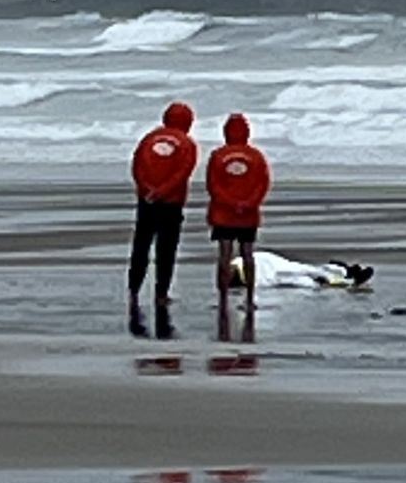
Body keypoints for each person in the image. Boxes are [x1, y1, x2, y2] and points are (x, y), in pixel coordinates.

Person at [127, 100, 197, 337]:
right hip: (170, 202)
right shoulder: (187, 144)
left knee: (141, 245)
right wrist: (163, 191)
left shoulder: (148, 139)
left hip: (145, 200)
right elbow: (183, 172)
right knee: (166, 250)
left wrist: (146, 188)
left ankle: (134, 290)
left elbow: (136, 165)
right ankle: (161, 293)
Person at [206, 112, 271, 316]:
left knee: (224, 255)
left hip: (224, 213)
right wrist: (248, 203)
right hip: (248, 214)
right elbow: (263, 183)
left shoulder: (218, 155)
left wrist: (230, 203)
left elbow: (213, 185)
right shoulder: (256, 156)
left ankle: (223, 298)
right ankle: (250, 297)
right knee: (247, 255)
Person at [229, 250, 373, 291]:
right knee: (301, 276)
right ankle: (342, 274)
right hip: (260, 271)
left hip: (261, 266)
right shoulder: (256, 280)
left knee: (300, 272)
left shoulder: (238, 265)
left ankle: (342, 273)